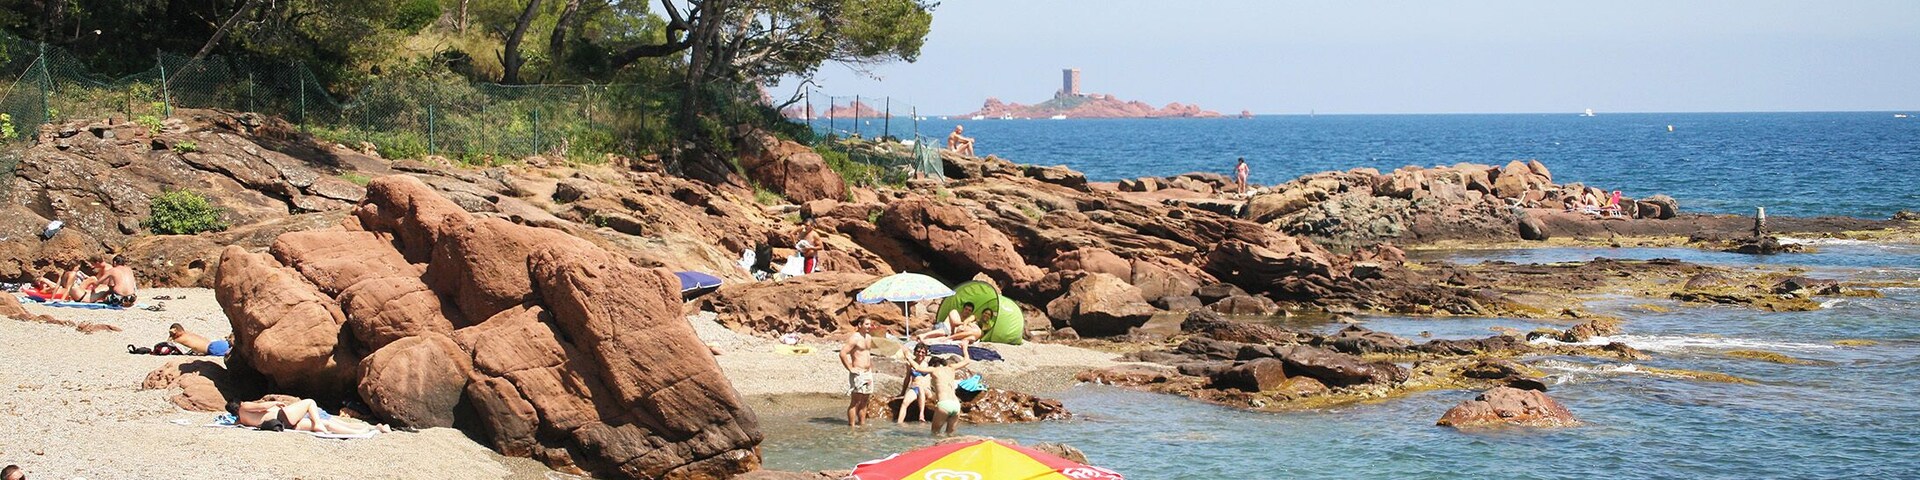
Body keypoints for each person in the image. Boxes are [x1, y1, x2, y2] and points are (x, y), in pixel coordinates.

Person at [909, 343, 974, 437]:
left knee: (934, 435)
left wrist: (908, 356)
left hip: (944, 404)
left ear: (932, 365)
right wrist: (964, 348)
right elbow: (967, 360)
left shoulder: (934, 370)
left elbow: (918, 368)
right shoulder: (951, 367)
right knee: (950, 436)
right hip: (956, 405)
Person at [227, 398, 388, 435]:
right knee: (310, 402)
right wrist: (275, 402)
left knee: (328, 424)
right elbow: (261, 406)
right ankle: (317, 424)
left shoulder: (240, 420)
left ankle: (368, 430)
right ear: (238, 404)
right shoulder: (244, 406)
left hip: (280, 425)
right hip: (282, 416)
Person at [838, 318, 878, 430]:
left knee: (865, 400)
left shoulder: (869, 337)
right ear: (860, 325)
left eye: (870, 324)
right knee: (856, 401)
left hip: (867, 372)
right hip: (858, 373)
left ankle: (862, 425)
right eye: (867, 324)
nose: (869, 326)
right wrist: (850, 368)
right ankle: (852, 427)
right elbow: (842, 353)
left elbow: (866, 354)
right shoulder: (855, 338)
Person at [894, 343, 934, 424]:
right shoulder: (910, 364)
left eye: (923, 352)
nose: (920, 354)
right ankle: (899, 423)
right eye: (918, 351)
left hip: (926, 389)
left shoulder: (927, 363)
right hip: (914, 388)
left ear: (926, 354)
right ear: (915, 352)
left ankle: (921, 415)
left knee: (921, 388)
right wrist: (902, 392)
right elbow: (907, 378)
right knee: (905, 402)